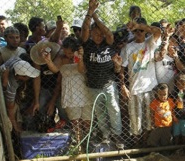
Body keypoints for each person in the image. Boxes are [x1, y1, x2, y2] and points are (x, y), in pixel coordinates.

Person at [81, 0, 124, 148]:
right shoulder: (88, 44)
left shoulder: (109, 43)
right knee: (99, 112)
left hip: (109, 83)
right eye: (95, 33)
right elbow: (84, 29)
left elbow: (108, 33)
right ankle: (105, 135)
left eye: (101, 33)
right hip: (93, 85)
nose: (99, 35)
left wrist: (96, 18)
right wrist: (90, 11)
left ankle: (117, 135)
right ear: (92, 34)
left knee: (114, 109)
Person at [42, 36, 92, 149]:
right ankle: (79, 146)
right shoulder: (61, 57)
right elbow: (55, 69)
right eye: (65, 52)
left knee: (87, 121)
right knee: (76, 123)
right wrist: (48, 61)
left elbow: (81, 70)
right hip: (70, 93)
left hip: (84, 90)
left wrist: (79, 57)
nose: (67, 55)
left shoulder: (82, 56)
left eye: (70, 53)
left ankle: (88, 144)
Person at [122, 17, 162, 145]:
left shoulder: (149, 43)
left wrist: (139, 25)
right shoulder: (128, 47)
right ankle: (137, 146)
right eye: (135, 31)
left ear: (145, 31)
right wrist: (123, 85)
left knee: (149, 121)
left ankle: (147, 144)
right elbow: (121, 68)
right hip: (134, 89)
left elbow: (158, 32)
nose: (138, 33)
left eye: (141, 30)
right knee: (135, 121)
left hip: (150, 88)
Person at [0, 58, 40, 132]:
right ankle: (16, 131)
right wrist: (15, 126)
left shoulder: (16, 61)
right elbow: (10, 108)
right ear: (20, 77)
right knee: (14, 111)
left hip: (7, 85)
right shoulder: (11, 86)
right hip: (1, 94)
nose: (30, 77)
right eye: (28, 76)